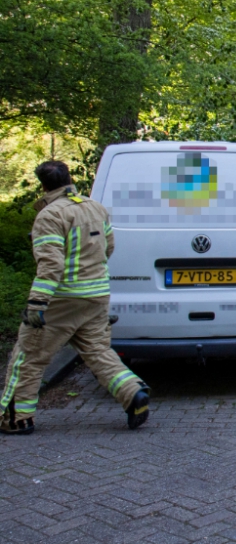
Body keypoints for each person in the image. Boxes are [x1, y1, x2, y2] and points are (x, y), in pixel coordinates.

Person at [1, 161, 150, 435]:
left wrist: (37, 304)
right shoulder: (96, 208)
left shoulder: (49, 216)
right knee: (98, 351)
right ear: (69, 179)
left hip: (63, 299)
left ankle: (17, 419)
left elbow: (51, 265)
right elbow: (108, 247)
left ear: (43, 185)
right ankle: (134, 394)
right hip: (96, 296)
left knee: (29, 355)